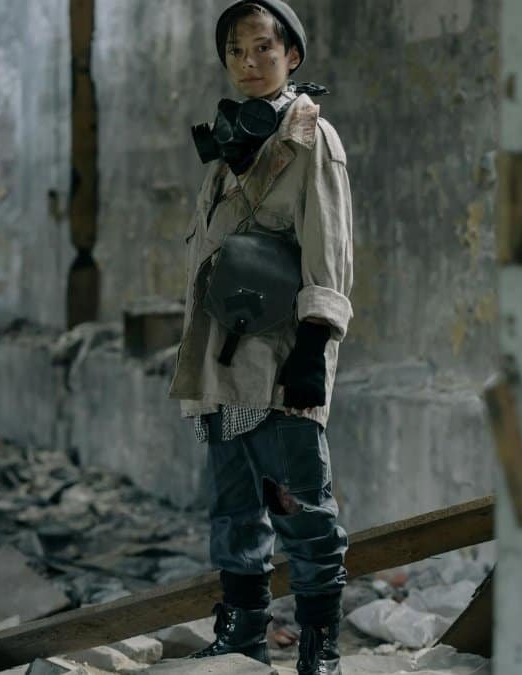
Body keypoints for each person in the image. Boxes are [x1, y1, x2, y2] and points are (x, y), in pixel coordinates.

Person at [166, 2, 354, 674]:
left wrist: (314, 345)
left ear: (292, 56)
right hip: (223, 362)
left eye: (263, 49)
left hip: (279, 360)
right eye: (237, 52)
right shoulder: (226, 149)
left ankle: (318, 648)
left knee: (303, 508)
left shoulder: (311, 141)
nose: (250, 63)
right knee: (235, 509)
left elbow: (328, 250)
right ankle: (243, 633)